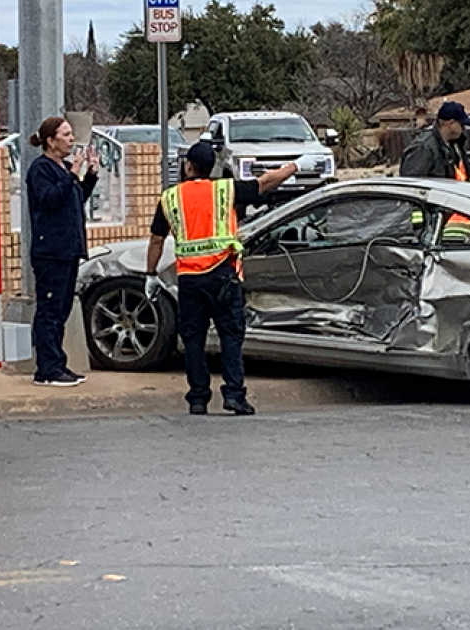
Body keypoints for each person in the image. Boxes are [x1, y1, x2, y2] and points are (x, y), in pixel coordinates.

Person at [144, 143, 327, 416]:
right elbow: (266, 182)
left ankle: (197, 398)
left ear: (188, 166)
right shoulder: (226, 190)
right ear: (211, 167)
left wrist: (150, 274)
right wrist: (298, 165)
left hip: (190, 280)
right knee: (231, 336)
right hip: (222, 275)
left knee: (193, 340)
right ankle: (234, 395)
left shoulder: (170, 198)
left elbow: (157, 239)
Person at [26, 116, 99, 387]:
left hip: (69, 249)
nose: (71, 139)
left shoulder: (65, 168)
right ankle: (47, 368)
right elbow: (50, 200)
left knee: (63, 309)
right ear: (50, 140)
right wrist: (70, 176)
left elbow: (76, 197)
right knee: (50, 310)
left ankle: (59, 363)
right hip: (50, 250)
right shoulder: (40, 169)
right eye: (66, 134)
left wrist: (89, 175)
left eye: (71, 134)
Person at [399, 101, 470, 181]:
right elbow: (412, 185)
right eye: (462, 125)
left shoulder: (456, 145)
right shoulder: (423, 147)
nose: (464, 129)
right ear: (451, 123)